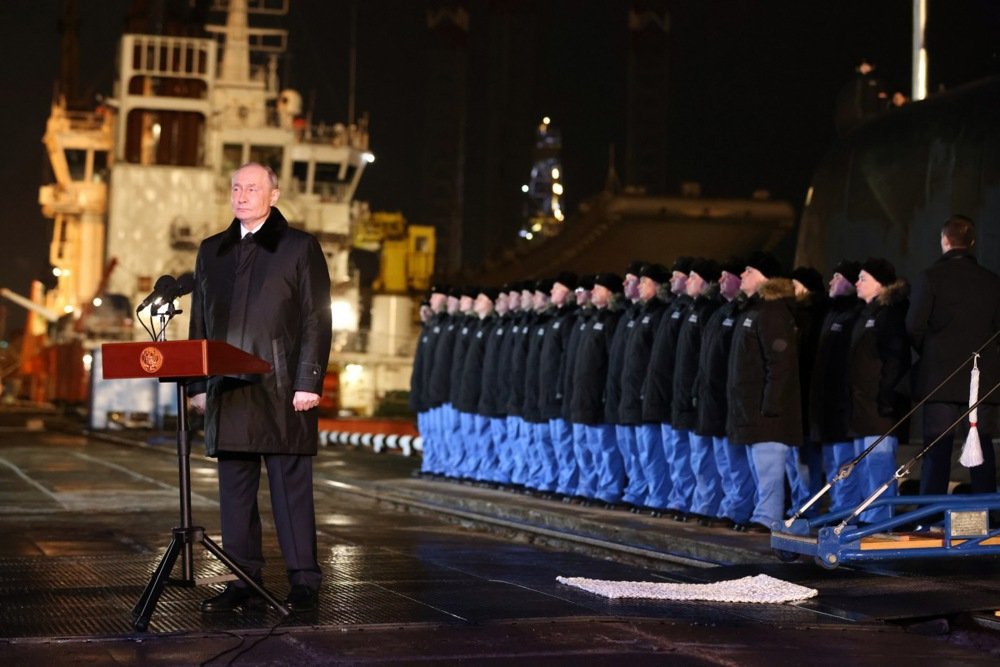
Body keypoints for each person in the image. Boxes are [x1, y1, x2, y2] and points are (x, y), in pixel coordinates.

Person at [189, 162, 332, 613]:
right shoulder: (212, 251)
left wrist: (309, 379)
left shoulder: (298, 248)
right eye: (236, 187)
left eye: (252, 187)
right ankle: (242, 579)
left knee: (290, 487)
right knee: (234, 489)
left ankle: (303, 579)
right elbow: (200, 322)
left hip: (283, 387)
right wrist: (196, 382)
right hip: (228, 390)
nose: (242, 194)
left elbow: (315, 318)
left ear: (274, 194)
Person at [907, 215, 1000, 496]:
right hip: (982, 378)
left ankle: (928, 520)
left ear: (945, 240)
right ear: (971, 243)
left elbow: (914, 325)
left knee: (936, 450)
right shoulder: (993, 281)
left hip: (940, 378)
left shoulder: (930, 277)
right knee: (981, 448)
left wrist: (932, 353)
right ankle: (987, 514)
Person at [726, 252, 802, 533]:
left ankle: (768, 516)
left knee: (768, 469)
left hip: (766, 414)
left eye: (748, 270)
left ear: (762, 276)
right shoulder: (754, 310)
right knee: (758, 470)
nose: (742, 275)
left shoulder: (772, 311)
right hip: (752, 410)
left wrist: (771, 404)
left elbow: (780, 362)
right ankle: (759, 512)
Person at [848, 259, 911, 523]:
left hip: (880, 407)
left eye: (863, 278)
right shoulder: (866, 314)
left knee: (878, 465)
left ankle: (879, 522)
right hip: (863, 406)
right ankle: (867, 518)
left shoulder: (889, 313)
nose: (857, 283)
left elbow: (896, 359)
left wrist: (888, 396)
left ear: (879, 283)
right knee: (864, 466)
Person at [808, 261, 864, 513]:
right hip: (827, 405)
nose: (831, 282)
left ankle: (845, 511)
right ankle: (839, 509)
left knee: (844, 462)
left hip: (843, 406)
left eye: (838, 276)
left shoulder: (854, 315)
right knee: (833, 462)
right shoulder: (832, 314)